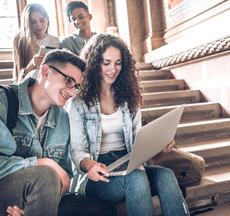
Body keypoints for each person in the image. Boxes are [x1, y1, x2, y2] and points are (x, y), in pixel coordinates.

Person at [0, 49, 117, 216]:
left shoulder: (63, 118)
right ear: (45, 72)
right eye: (69, 81)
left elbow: (64, 177)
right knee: (46, 174)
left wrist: (36, 203)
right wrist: (41, 162)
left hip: (39, 194)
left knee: (101, 210)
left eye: (77, 87)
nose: (72, 92)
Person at [68, 33, 190, 216]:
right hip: (96, 172)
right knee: (136, 178)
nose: (113, 69)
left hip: (127, 162)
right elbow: (77, 150)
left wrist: (159, 143)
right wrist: (89, 165)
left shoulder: (127, 97)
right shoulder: (78, 102)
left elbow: (136, 140)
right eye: (106, 62)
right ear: (94, 64)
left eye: (118, 63)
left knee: (166, 175)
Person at [13, 3, 61, 82]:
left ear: (47, 19)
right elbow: (19, 77)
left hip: (49, 82)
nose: (38, 25)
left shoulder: (55, 41)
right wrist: (32, 64)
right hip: (28, 83)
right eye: (33, 22)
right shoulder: (20, 40)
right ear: (27, 23)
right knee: (35, 73)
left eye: (42, 20)